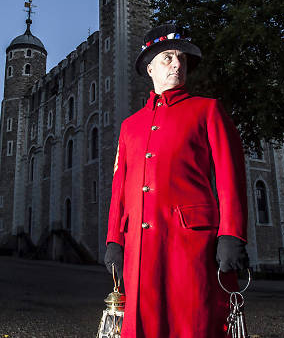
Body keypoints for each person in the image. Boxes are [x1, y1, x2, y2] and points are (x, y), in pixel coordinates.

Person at [104, 24, 249, 337]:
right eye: (168, 58)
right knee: (142, 325)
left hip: (192, 244)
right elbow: (120, 186)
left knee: (194, 323)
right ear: (150, 66)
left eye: (182, 59)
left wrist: (232, 234)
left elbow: (230, 174)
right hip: (139, 248)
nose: (177, 64)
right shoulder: (130, 126)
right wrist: (114, 240)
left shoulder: (207, 110)